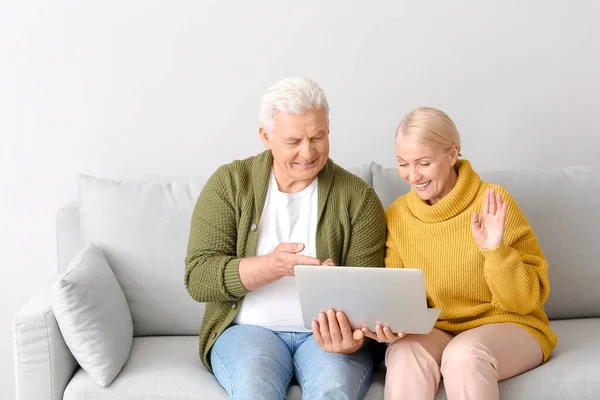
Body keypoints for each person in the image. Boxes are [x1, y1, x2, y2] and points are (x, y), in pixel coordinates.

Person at [184, 77, 386, 399]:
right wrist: (272, 266)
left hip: (327, 339)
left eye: (317, 137)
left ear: (328, 131)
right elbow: (198, 277)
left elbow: (370, 295)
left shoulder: (359, 198)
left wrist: (356, 337)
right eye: (294, 141)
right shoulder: (230, 184)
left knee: (333, 389)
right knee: (253, 388)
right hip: (248, 331)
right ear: (266, 136)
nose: (308, 152)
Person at [362, 107, 557, 400]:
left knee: (464, 355)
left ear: (452, 154)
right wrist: (390, 326)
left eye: (423, 163)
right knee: (404, 353)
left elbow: (525, 301)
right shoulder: (398, 216)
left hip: (511, 325)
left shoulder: (493, 202)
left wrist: (495, 250)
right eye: (403, 164)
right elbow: (402, 298)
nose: (413, 175)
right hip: (438, 331)